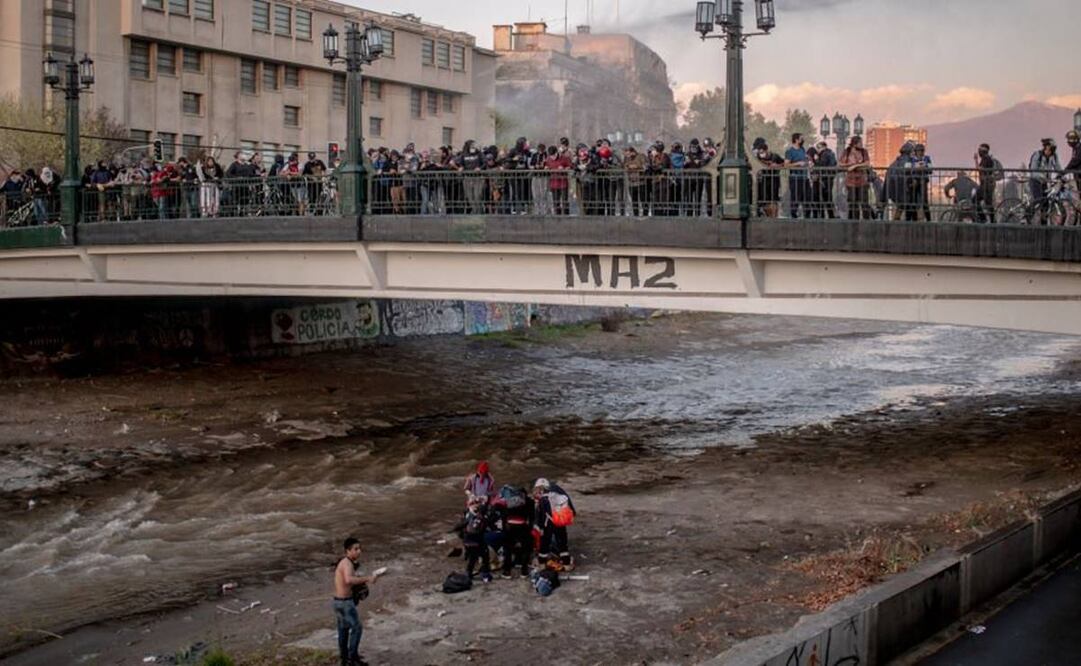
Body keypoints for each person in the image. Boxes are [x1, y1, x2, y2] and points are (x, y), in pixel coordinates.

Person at [333, 537, 381, 666]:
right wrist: (367, 579)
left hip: (338, 602)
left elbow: (347, 581)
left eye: (359, 548)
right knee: (357, 628)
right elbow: (348, 580)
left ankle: (344, 659)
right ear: (348, 551)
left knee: (343, 629)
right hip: (345, 603)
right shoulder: (347, 563)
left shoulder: (344, 563)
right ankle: (353, 659)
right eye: (356, 549)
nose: (359, 551)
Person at [491, 485, 535, 579]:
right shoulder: (529, 501)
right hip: (523, 526)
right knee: (525, 549)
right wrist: (530, 528)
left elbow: (501, 512)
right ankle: (524, 571)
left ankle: (507, 572)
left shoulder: (508, 501)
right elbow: (532, 517)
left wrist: (504, 527)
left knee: (508, 549)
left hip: (509, 526)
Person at [532, 478, 576, 567]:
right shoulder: (558, 496)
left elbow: (541, 515)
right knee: (563, 544)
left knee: (544, 545)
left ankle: (542, 564)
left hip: (548, 524)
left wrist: (540, 527)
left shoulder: (543, 499)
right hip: (559, 523)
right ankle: (566, 564)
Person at [454, 497, 493, 582]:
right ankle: (485, 575)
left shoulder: (467, 515)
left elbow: (459, 528)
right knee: (485, 557)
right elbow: (488, 528)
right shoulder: (483, 517)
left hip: (468, 541)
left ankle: (469, 574)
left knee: (473, 558)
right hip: (478, 541)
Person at [1029, 138, 1062, 224]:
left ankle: (1044, 223)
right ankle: (1026, 217)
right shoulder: (1037, 155)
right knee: (1038, 200)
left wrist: (1062, 175)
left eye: (1052, 150)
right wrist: (1043, 176)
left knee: (1046, 203)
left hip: (1044, 182)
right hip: (1035, 181)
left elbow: (1057, 167)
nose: (1050, 152)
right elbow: (1033, 170)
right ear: (1045, 147)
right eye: (1049, 149)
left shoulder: (1054, 156)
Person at [839, 136, 872, 220]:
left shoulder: (864, 152)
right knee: (853, 202)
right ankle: (854, 220)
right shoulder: (847, 152)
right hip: (851, 181)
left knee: (864, 202)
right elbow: (841, 163)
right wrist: (849, 165)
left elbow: (867, 163)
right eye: (860, 143)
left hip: (862, 180)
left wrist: (855, 166)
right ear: (855, 143)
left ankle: (866, 220)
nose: (861, 144)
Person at [753, 138, 783, 218]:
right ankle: (769, 215)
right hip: (763, 182)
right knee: (764, 201)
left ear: (767, 150)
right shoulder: (757, 158)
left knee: (773, 200)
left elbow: (784, 164)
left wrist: (776, 166)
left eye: (762, 152)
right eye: (759, 152)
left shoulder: (775, 156)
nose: (761, 154)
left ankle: (774, 216)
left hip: (774, 181)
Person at [784, 133, 812, 219]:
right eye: (801, 139)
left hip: (804, 177)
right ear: (796, 140)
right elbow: (786, 165)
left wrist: (809, 163)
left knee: (807, 197)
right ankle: (794, 215)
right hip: (795, 178)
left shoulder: (803, 149)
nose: (803, 140)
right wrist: (798, 163)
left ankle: (807, 215)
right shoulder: (790, 151)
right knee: (795, 197)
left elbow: (805, 160)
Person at [812, 141, 838, 219]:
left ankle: (822, 215)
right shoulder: (831, 153)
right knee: (827, 197)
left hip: (823, 179)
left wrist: (816, 160)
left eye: (818, 148)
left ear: (823, 147)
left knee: (820, 197)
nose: (817, 150)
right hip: (828, 178)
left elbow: (821, 165)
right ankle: (830, 215)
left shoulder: (824, 154)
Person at [544, 144, 572, 216]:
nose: (552, 157)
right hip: (553, 183)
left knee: (565, 201)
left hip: (563, 183)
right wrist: (546, 168)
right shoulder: (548, 159)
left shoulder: (564, 158)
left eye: (553, 155)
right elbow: (546, 165)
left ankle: (566, 216)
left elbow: (570, 166)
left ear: (557, 153)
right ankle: (557, 217)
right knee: (556, 202)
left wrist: (564, 169)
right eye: (551, 156)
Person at [974, 143, 997, 224]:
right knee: (982, 202)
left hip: (986, 185)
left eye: (980, 150)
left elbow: (980, 169)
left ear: (983, 151)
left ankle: (988, 220)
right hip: (985, 184)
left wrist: (976, 160)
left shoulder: (986, 159)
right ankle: (988, 220)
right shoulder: (986, 158)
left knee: (983, 202)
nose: (979, 152)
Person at [911, 144, 933, 222]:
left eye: (921, 151)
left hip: (923, 180)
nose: (920, 153)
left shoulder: (927, 158)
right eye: (918, 151)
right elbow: (908, 170)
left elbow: (931, 170)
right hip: (914, 181)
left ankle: (928, 219)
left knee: (924, 201)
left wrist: (925, 168)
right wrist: (915, 169)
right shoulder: (912, 159)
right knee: (913, 200)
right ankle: (914, 219)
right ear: (916, 152)